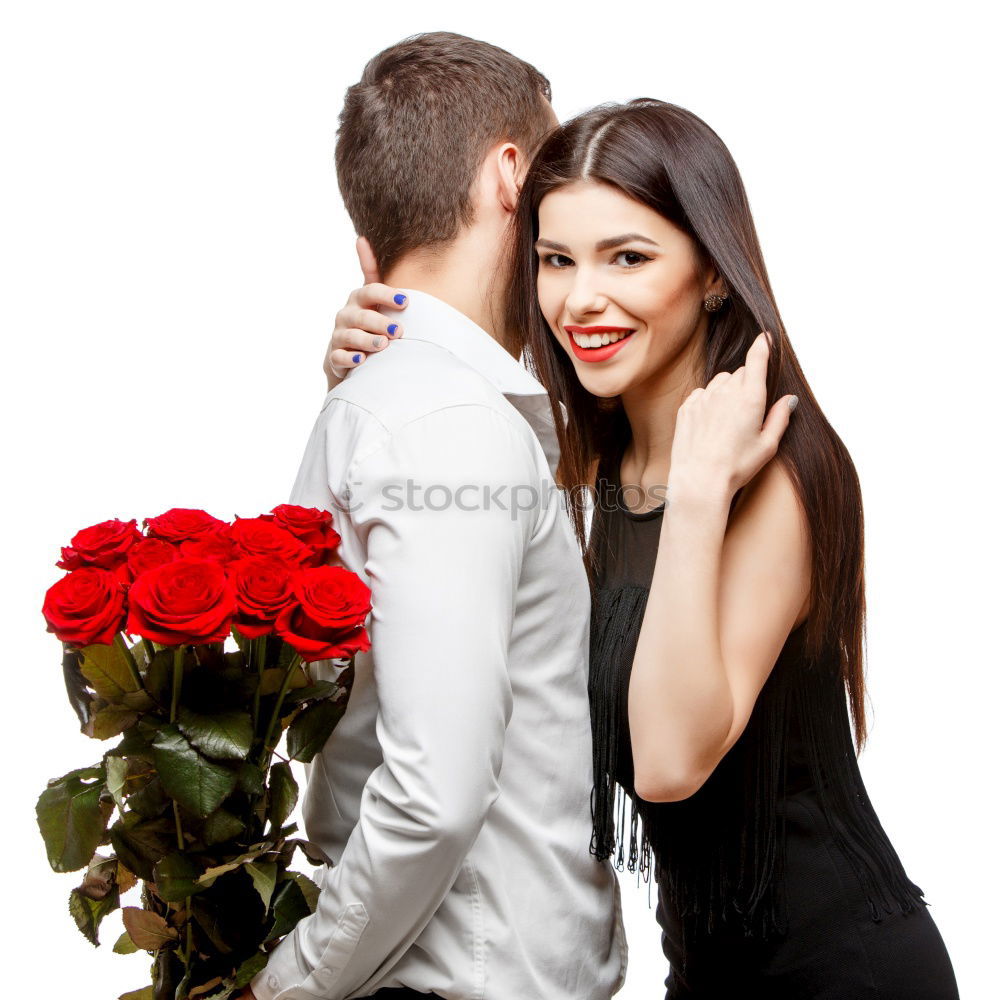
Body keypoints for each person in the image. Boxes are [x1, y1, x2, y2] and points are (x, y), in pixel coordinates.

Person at [324, 99, 960, 997]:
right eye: (555, 260)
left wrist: (699, 497)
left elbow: (667, 761)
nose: (583, 298)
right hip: (704, 972)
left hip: (840, 971)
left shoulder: (779, 469)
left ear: (710, 273)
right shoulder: (603, 462)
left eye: (628, 257)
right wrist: (385, 362)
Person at [241, 33, 626, 1000]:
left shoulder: (393, 401)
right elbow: (434, 797)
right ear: (513, 176)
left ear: (369, 246)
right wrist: (288, 987)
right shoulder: (445, 417)